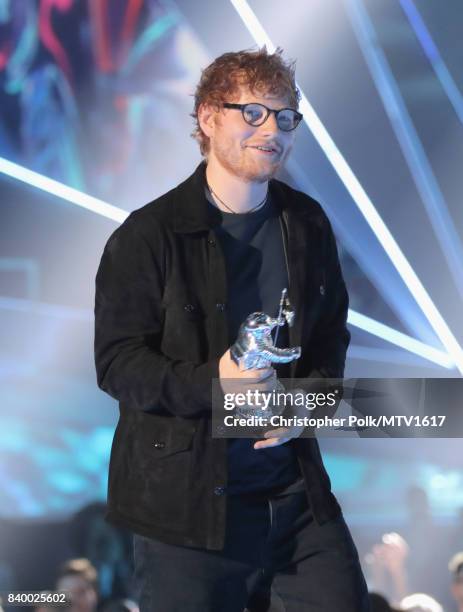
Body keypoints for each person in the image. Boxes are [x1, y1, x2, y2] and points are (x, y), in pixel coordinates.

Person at [94, 46, 369, 611]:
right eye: (253, 112)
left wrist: (306, 405)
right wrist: (214, 383)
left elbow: (329, 339)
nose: (273, 129)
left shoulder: (307, 222)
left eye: (285, 116)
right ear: (207, 117)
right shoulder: (148, 235)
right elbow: (118, 363)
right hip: (187, 512)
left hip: (295, 500)